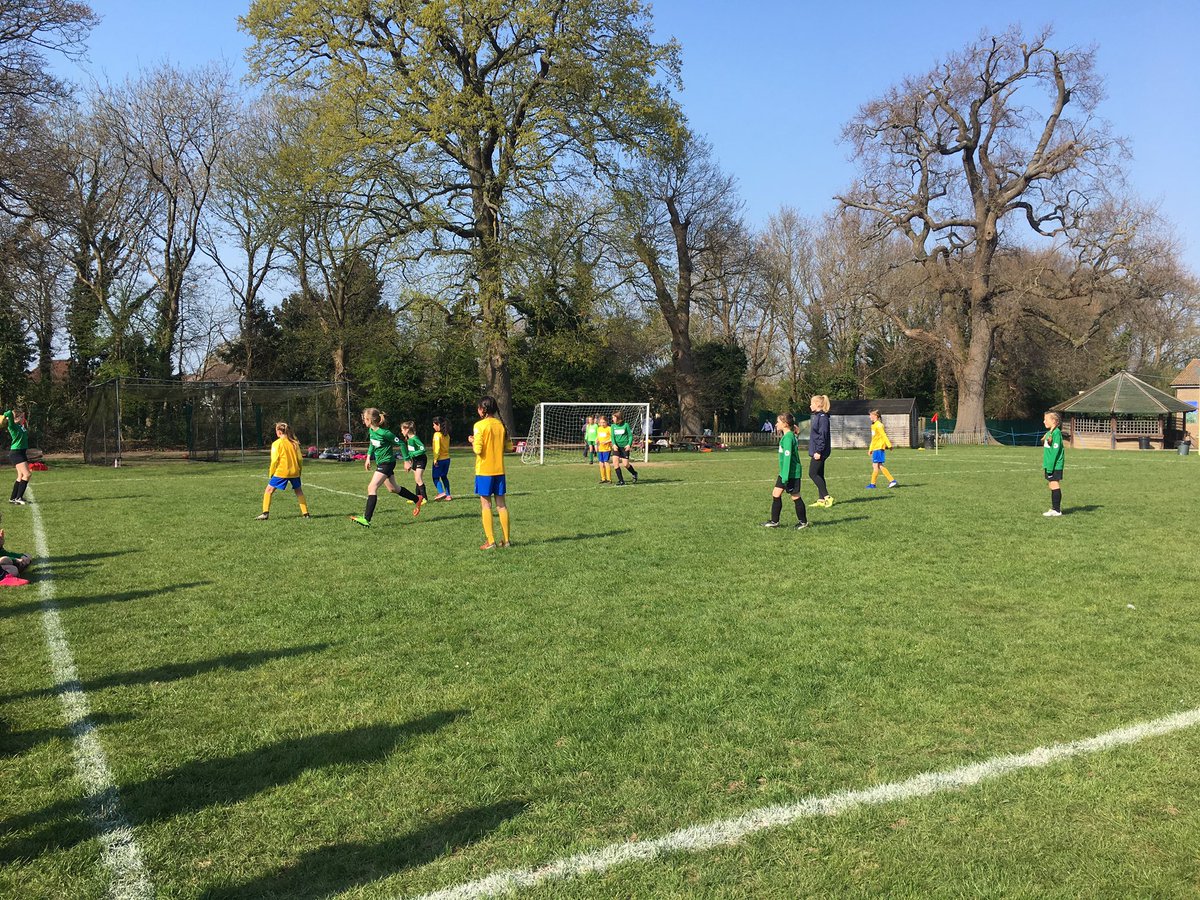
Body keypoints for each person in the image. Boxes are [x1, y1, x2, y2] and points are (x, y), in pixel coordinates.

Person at [350, 408, 421, 527]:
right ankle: (417, 499)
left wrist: (406, 460)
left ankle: (366, 519)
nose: (363, 421)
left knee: (372, 487)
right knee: (393, 489)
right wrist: (368, 457)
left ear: (369, 419)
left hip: (387, 463)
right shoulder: (372, 431)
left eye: (364, 419)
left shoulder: (384, 433)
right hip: (381, 463)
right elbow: (372, 444)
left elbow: (401, 443)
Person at [470, 396, 510, 549]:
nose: (478, 410)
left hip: (484, 471)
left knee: (486, 505)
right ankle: (506, 541)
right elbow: (508, 448)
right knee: (501, 505)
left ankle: (491, 541)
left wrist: (473, 442)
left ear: (483, 409)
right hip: (499, 470)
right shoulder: (501, 425)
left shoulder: (479, 426)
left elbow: (478, 450)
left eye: (479, 407)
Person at [763, 413, 808, 530]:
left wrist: (785, 477)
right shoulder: (788, 436)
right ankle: (774, 521)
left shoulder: (788, 438)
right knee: (776, 494)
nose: (776, 424)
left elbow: (787, 458)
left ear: (785, 424)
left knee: (795, 497)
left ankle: (803, 522)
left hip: (790, 473)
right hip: (784, 472)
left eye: (778, 422)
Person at [256, 422, 311, 520]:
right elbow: (300, 459)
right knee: (299, 491)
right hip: (295, 471)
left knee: (269, 490)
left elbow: (274, 460)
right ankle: (306, 514)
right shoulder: (294, 443)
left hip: (282, 471)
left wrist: (271, 473)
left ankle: (265, 513)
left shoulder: (277, 444)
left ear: (279, 432)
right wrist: (299, 471)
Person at [1, 407, 31, 506]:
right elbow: (9, 412)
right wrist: (6, 417)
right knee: (27, 474)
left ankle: (13, 498)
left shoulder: (20, 426)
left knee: (21, 476)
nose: (24, 419)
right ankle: (18, 497)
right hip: (16, 453)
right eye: (22, 417)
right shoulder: (12, 426)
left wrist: (20, 420)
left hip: (21, 452)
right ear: (16, 418)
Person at [399, 421, 429, 516]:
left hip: (421, 460)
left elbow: (422, 449)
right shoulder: (408, 440)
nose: (401, 432)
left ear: (407, 430)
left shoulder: (415, 438)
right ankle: (416, 498)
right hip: (415, 461)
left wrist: (413, 454)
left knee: (418, 478)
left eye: (402, 430)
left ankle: (424, 499)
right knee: (416, 479)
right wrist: (410, 461)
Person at [809, 395, 833, 507]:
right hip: (817, 450)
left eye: (812, 403)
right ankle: (821, 500)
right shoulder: (818, 416)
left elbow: (822, 435)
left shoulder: (823, 417)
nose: (810, 405)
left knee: (812, 473)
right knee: (819, 474)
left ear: (818, 404)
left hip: (820, 451)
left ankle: (827, 497)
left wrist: (818, 451)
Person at [866, 409, 897, 489]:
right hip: (876, 448)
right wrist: (870, 449)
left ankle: (873, 484)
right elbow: (874, 439)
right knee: (878, 465)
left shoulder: (879, 425)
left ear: (875, 416)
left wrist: (889, 445)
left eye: (870, 415)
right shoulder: (873, 425)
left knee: (876, 466)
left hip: (879, 447)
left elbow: (884, 435)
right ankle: (891, 481)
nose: (869, 416)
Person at [1042, 411, 1065, 517]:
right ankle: (1054, 508)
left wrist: (1050, 468)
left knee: (1054, 484)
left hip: (1054, 465)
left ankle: (1057, 510)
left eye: (1046, 419)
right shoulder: (1050, 432)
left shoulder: (1057, 433)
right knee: (1051, 485)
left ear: (1054, 421)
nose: (1044, 421)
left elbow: (1055, 452)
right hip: (1049, 465)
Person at [610, 410, 640, 485]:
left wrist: (629, 445)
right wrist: (614, 444)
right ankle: (621, 481)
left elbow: (630, 436)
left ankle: (634, 473)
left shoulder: (626, 425)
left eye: (613, 417)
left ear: (618, 417)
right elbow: (612, 436)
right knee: (615, 463)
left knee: (626, 464)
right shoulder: (613, 426)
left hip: (624, 447)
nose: (612, 419)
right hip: (616, 447)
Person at [431, 416, 452, 501]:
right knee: (444, 477)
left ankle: (441, 492)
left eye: (434, 425)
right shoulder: (446, 435)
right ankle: (448, 495)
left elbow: (437, 448)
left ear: (438, 424)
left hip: (439, 459)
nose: (433, 427)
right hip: (447, 459)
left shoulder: (437, 435)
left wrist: (435, 459)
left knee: (435, 477)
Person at [595, 415, 613, 484]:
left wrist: (606, 441)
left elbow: (612, 438)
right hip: (600, 448)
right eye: (601, 422)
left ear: (607, 422)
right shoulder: (599, 428)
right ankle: (603, 478)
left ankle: (609, 479)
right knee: (601, 463)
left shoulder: (609, 428)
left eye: (604, 422)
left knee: (606, 462)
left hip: (606, 448)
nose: (602, 424)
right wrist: (596, 441)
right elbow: (598, 437)